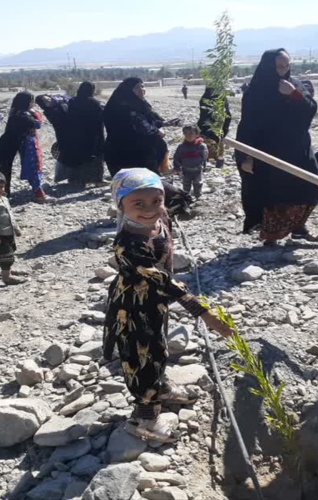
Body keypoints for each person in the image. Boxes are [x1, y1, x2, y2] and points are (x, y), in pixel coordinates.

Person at [103, 168, 233, 442]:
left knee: (158, 347)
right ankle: (144, 418)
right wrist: (204, 313)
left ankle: (158, 387)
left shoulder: (159, 220)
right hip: (136, 306)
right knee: (142, 356)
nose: (150, 209)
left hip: (156, 302)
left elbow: (175, 200)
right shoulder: (127, 245)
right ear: (121, 204)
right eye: (138, 204)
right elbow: (163, 280)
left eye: (156, 200)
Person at [234, 48, 318, 244]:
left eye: (286, 65)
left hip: (298, 147)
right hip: (269, 150)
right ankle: (271, 234)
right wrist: (245, 156)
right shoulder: (255, 92)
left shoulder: (297, 85)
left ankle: (299, 227)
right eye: (279, 66)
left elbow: (310, 110)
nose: (284, 70)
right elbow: (248, 125)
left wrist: (294, 95)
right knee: (274, 192)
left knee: (310, 185)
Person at [103, 77, 169, 176]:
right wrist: (157, 132)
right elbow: (140, 124)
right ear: (128, 90)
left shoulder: (139, 103)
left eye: (142, 86)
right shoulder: (123, 107)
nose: (142, 89)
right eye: (137, 87)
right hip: (127, 152)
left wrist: (162, 123)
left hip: (134, 151)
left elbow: (149, 119)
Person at [0, 91, 47, 202]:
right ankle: (38, 195)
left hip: (9, 143)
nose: (33, 103)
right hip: (15, 144)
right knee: (32, 167)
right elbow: (37, 124)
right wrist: (36, 113)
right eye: (32, 101)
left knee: (4, 168)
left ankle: (3, 193)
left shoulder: (15, 112)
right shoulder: (23, 114)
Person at [66, 81, 106, 185]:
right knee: (96, 156)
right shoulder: (94, 103)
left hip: (76, 134)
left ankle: (76, 179)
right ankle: (97, 180)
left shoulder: (72, 101)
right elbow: (99, 119)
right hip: (93, 135)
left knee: (78, 156)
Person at [197, 87, 231, 169]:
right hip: (215, 126)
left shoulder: (206, 98)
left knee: (210, 143)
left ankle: (212, 159)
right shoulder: (221, 98)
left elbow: (204, 115)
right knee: (215, 142)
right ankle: (216, 159)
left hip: (209, 126)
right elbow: (227, 115)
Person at [172, 125, 208, 198]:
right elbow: (176, 157)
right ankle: (186, 199)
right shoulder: (181, 147)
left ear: (197, 134)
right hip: (185, 170)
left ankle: (198, 197)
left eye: (191, 133)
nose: (189, 135)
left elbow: (204, 157)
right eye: (186, 133)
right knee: (186, 185)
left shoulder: (201, 146)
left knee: (198, 184)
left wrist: (203, 166)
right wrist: (177, 167)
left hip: (197, 170)